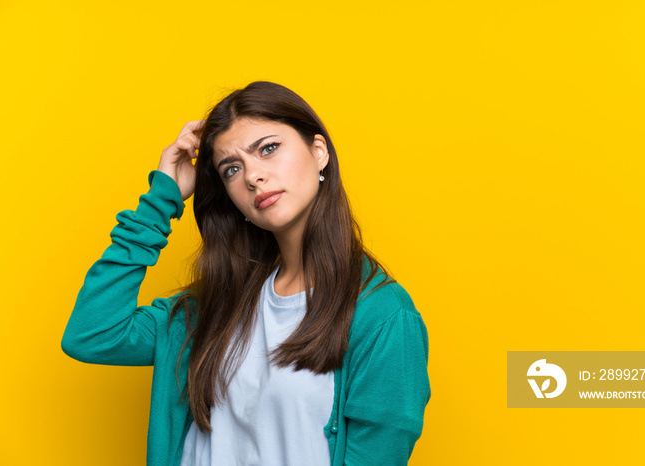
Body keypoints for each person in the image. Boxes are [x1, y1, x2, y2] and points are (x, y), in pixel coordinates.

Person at [61, 81, 430, 466]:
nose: (253, 176)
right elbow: (92, 335)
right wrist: (161, 199)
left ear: (318, 151)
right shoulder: (216, 305)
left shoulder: (383, 316)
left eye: (268, 149)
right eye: (231, 169)